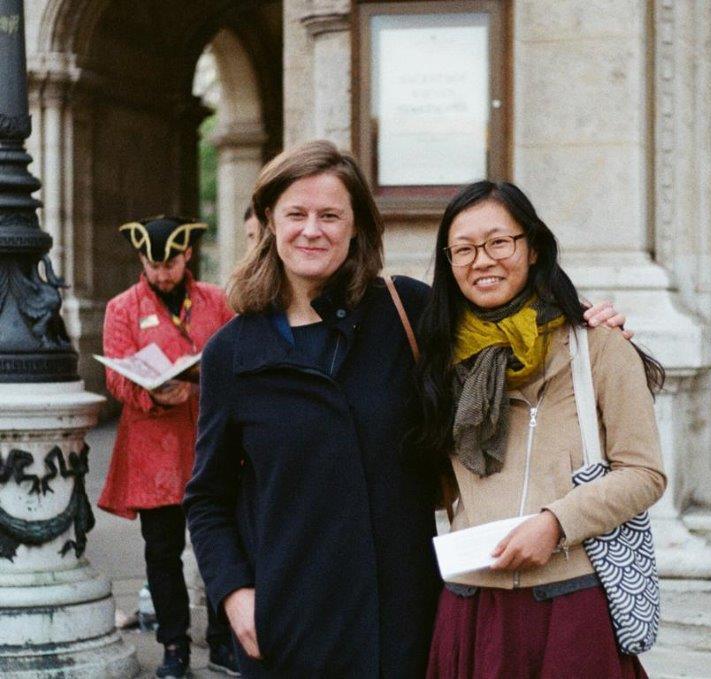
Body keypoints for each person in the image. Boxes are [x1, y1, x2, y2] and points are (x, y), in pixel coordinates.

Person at [184, 141, 630, 677]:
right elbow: (208, 498)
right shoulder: (232, 353)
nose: (312, 230)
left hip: (404, 619)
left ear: (357, 227)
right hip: (290, 622)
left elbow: (510, 315)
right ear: (269, 223)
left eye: (330, 215)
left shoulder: (405, 312)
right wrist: (234, 594)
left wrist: (585, 321)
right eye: (295, 214)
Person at [415, 181, 667, 678]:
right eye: (463, 249)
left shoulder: (597, 346)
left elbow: (644, 472)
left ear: (532, 248)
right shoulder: (439, 359)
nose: (481, 260)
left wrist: (555, 523)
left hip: (571, 606)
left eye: (498, 242)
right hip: (472, 607)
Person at [98, 216, 239, 678]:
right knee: (162, 552)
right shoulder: (122, 307)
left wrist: (203, 377)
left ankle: (222, 640)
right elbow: (116, 374)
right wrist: (151, 393)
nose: (162, 274)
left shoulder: (217, 301)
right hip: (153, 451)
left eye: (170, 263)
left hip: (210, 443)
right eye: (153, 265)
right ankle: (174, 645)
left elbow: (238, 358)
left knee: (220, 545)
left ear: (187, 256)